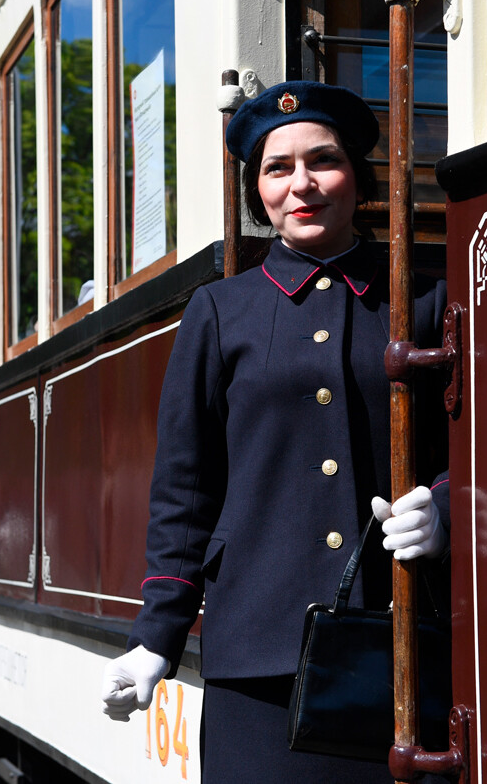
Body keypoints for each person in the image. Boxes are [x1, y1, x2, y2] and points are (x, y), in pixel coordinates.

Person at [100, 80, 449, 782]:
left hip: (397, 639)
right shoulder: (220, 311)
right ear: (258, 190)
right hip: (257, 655)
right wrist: (156, 636)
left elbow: (473, 440)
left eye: (322, 161)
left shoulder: (422, 295)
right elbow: (184, 490)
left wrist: (444, 505)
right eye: (277, 169)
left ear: (358, 175)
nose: (302, 185)